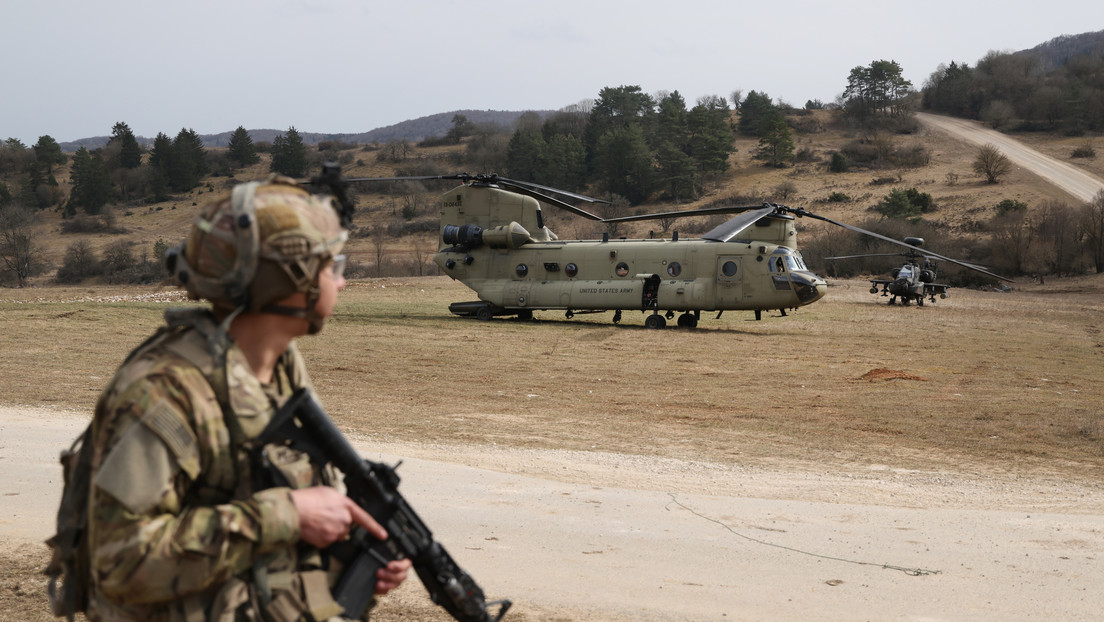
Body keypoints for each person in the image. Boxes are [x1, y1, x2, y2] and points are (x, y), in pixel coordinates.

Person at [84, 175, 411, 621]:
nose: (343, 282)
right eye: (333, 266)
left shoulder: (278, 366)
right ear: (291, 280)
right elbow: (119, 561)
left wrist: (352, 558)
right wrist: (286, 515)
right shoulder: (167, 391)